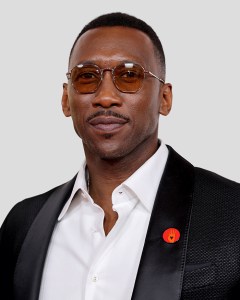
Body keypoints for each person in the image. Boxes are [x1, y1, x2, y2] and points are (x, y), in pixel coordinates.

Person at [0, 12, 240, 300]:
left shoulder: (231, 213)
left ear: (165, 99)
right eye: (87, 77)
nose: (105, 96)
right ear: (66, 100)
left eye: (129, 75)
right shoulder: (23, 223)